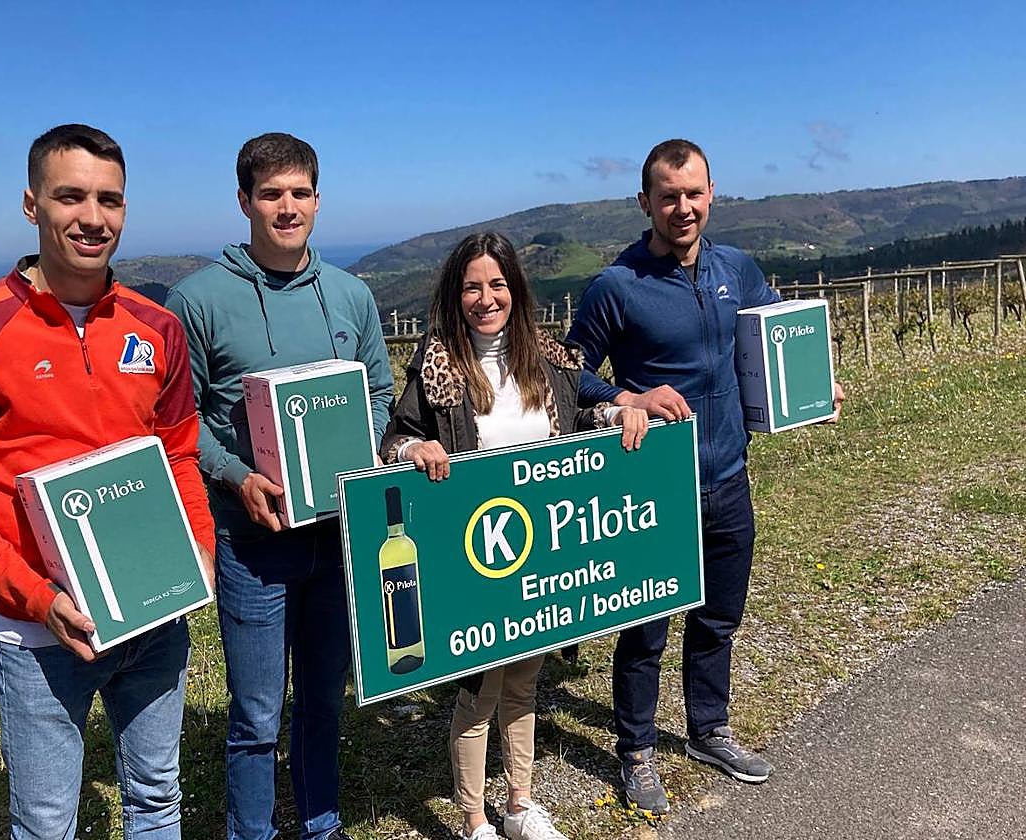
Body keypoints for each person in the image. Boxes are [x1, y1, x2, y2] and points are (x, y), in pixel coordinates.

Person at [0, 124, 216, 839]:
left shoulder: (157, 328)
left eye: (109, 199)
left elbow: (177, 453)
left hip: (154, 619)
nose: (92, 217)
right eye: (70, 196)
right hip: (40, 636)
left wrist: (197, 545)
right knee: (47, 824)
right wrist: (38, 599)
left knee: (156, 800)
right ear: (31, 204)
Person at [567, 139, 844, 815]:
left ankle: (708, 730)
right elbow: (564, 372)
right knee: (646, 630)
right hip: (655, 489)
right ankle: (635, 751)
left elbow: (782, 331)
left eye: (693, 194)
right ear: (645, 203)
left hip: (729, 476)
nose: (682, 208)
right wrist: (622, 398)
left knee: (718, 619)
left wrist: (814, 384)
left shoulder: (738, 269)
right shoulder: (617, 286)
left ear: (712, 193)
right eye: (668, 196)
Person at [380, 232, 650, 840]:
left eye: (496, 284)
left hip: (536, 556)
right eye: (472, 286)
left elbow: (580, 416)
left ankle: (521, 802)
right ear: (456, 295)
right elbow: (394, 438)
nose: (485, 298)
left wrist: (619, 413)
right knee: (478, 689)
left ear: (515, 289)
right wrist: (415, 448)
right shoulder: (436, 367)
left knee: (525, 680)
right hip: (473, 554)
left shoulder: (551, 362)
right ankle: (474, 817)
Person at [166, 132, 393, 840]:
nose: (286, 207)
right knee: (257, 715)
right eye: (271, 194)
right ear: (244, 202)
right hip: (252, 541)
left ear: (318, 201)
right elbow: (176, 418)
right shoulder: (196, 299)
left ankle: (322, 825)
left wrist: (360, 446)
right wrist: (237, 477)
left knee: (325, 699)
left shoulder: (351, 296)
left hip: (337, 536)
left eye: (299, 193)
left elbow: (381, 393)